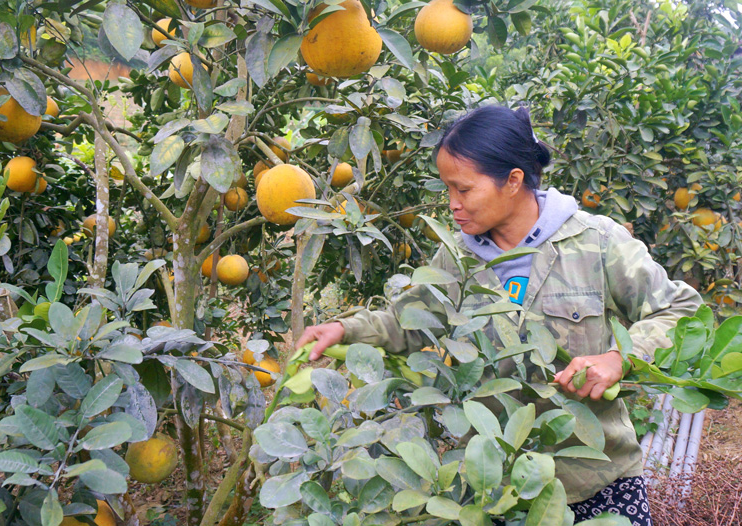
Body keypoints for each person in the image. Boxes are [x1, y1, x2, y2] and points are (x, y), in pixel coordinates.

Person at [296, 105, 702, 525]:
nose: (452, 204)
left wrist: (619, 357)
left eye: (464, 190)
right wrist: (345, 329)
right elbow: (409, 322)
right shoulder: (457, 258)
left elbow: (682, 310)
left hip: (597, 481)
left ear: (513, 180)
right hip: (496, 491)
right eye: (448, 189)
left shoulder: (596, 243)